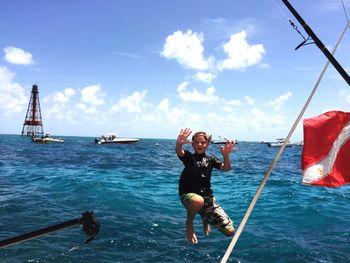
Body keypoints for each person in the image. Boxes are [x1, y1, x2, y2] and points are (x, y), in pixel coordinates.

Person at [176, 128, 237, 244]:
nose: (200, 144)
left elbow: (226, 168)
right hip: (188, 195)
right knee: (198, 201)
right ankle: (189, 224)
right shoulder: (189, 157)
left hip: (207, 198)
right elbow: (180, 152)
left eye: (203, 142)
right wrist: (179, 143)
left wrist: (225, 155)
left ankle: (205, 217)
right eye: (197, 142)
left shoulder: (211, 159)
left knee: (230, 232)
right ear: (192, 144)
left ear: (207, 144)